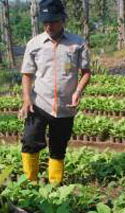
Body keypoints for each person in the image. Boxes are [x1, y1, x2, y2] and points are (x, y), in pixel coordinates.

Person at [19, 0, 91, 184]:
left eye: (53, 21)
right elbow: (27, 74)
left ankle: (55, 185)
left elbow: (86, 73)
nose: (49, 26)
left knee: (58, 147)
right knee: (30, 142)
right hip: (39, 104)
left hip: (65, 106)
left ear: (63, 20)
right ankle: (30, 183)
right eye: (46, 22)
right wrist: (26, 99)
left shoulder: (77, 43)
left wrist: (78, 92)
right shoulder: (34, 44)